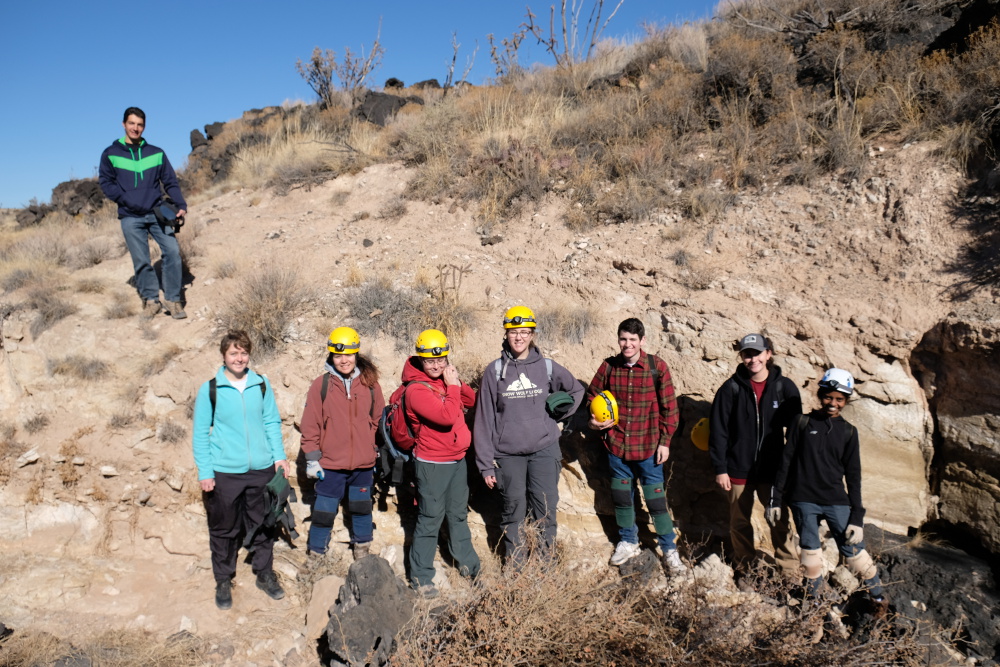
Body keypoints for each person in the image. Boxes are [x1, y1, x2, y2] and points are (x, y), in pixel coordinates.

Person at [768, 368, 888, 615]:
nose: (833, 403)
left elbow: (853, 477)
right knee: (809, 553)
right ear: (821, 395)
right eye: (829, 397)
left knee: (855, 554)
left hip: (836, 501)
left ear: (846, 401)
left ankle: (879, 600)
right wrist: (775, 499)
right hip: (802, 500)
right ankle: (812, 605)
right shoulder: (801, 423)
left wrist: (857, 518)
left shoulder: (848, 432)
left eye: (840, 399)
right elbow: (785, 463)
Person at [473, 306, 584, 565]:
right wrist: (485, 464)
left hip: (544, 451)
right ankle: (516, 570)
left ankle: (545, 567)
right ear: (506, 334)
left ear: (532, 334)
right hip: (508, 454)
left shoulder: (546, 367)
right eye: (514, 332)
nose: (519, 338)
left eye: (524, 332)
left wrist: (557, 418)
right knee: (513, 511)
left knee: (545, 509)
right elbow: (484, 418)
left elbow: (576, 391)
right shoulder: (495, 371)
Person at [192, 330, 289, 610]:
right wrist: (205, 472)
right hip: (224, 471)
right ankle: (223, 579)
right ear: (224, 355)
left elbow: (271, 422)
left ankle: (264, 574)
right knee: (224, 528)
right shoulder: (211, 388)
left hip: (260, 469)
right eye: (233, 353)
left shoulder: (261, 384)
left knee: (263, 524)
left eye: (244, 352)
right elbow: (200, 433)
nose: (239, 358)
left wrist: (279, 457)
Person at [587, 318, 684, 573]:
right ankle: (628, 541)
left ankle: (669, 549)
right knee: (621, 499)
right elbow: (591, 396)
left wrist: (665, 442)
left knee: (656, 502)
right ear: (618, 340)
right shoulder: (609, 367)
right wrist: (595, 421)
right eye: (623, 339)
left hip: (649, 449)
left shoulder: (656, 367)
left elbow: (670, 409)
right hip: (616, 447)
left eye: (632, 340)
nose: (627, 344)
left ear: (642, 341)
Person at [709, 333, 802, 579]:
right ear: (741, 356)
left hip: (772, 471)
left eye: (757, 353)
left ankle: (789, 573)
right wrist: (720, 468)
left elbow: (795, 433)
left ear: (768, 354)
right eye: (747, 354)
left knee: (779, 521)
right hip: (738, 469)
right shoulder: (731, 389)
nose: (752, 359)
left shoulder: (785, 388)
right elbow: (718, 432)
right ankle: (745, 569)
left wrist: (791, 468)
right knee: (739, 522)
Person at [403, 329, 480, 598]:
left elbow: (470, 400)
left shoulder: (443, 380)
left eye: (441, 359)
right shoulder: (415, 390)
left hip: (457, 460)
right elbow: (447, 416)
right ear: (420, 360)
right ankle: (421, 576)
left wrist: (455, 381)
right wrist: (453, 387)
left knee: (458, 515)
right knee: (430, 519)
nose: (436, 365)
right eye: (430, 361)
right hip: (433, 463)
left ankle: (470, 566)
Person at [299, 327, 385, 561]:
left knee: (361, 508)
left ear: (356, 354)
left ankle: (363, 550)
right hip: (331, 464)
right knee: (324, 512)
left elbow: (378, 420)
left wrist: (373, 448)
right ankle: (316, 553)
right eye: (338, 355)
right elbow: (310, 424)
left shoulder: (370, 384)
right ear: (331, 356)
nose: (343, 360)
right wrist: (312, 458)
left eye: (348, 354)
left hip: (363, 465)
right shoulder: (321, 385)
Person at [99, 106, 188, 320]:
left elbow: (170, 181)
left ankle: (174, 300)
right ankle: (151, 301)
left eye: (139, 124)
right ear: (124, 124)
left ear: (144, 127)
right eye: (131, 123)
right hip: (130, 216)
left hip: (157, 212)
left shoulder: (156, 153)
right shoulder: (110, 153)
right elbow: (106, 183)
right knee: (142, 260)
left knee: (173, 252)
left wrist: (180, 203)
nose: (135, 128)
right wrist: (125, 198)